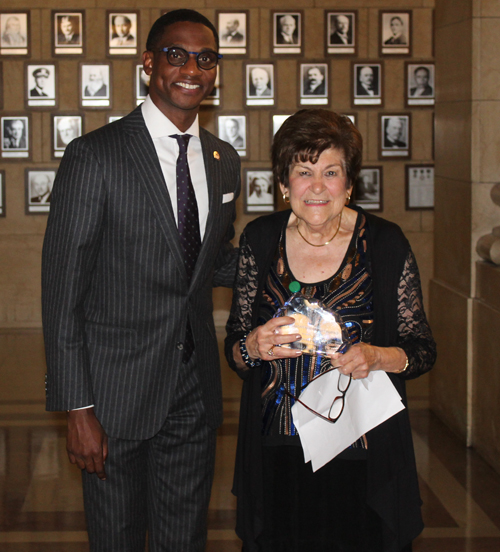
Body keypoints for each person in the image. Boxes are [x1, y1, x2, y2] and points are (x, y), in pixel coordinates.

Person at [42, 9, 240, 552]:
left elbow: (209, 263)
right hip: (113, 397)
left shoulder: (224, 161)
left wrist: (296, 259)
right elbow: (62, 296)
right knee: (117, 540)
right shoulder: (95, 156)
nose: (192, 69)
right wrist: (77, 409)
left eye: (206, 58)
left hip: (194, 392)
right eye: (177, 55)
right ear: (148, 63)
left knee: (185, 539)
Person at [225, 108, 436, 552]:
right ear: (284, 184)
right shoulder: (259, 240)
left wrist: (377, 356)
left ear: (350, 183)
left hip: (362, 449)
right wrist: (254, 346)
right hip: (277, 449)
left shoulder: (384, 242)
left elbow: (421, 350)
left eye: (331, 172)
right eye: (303, 172)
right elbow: (234, 351)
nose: (317, 186)